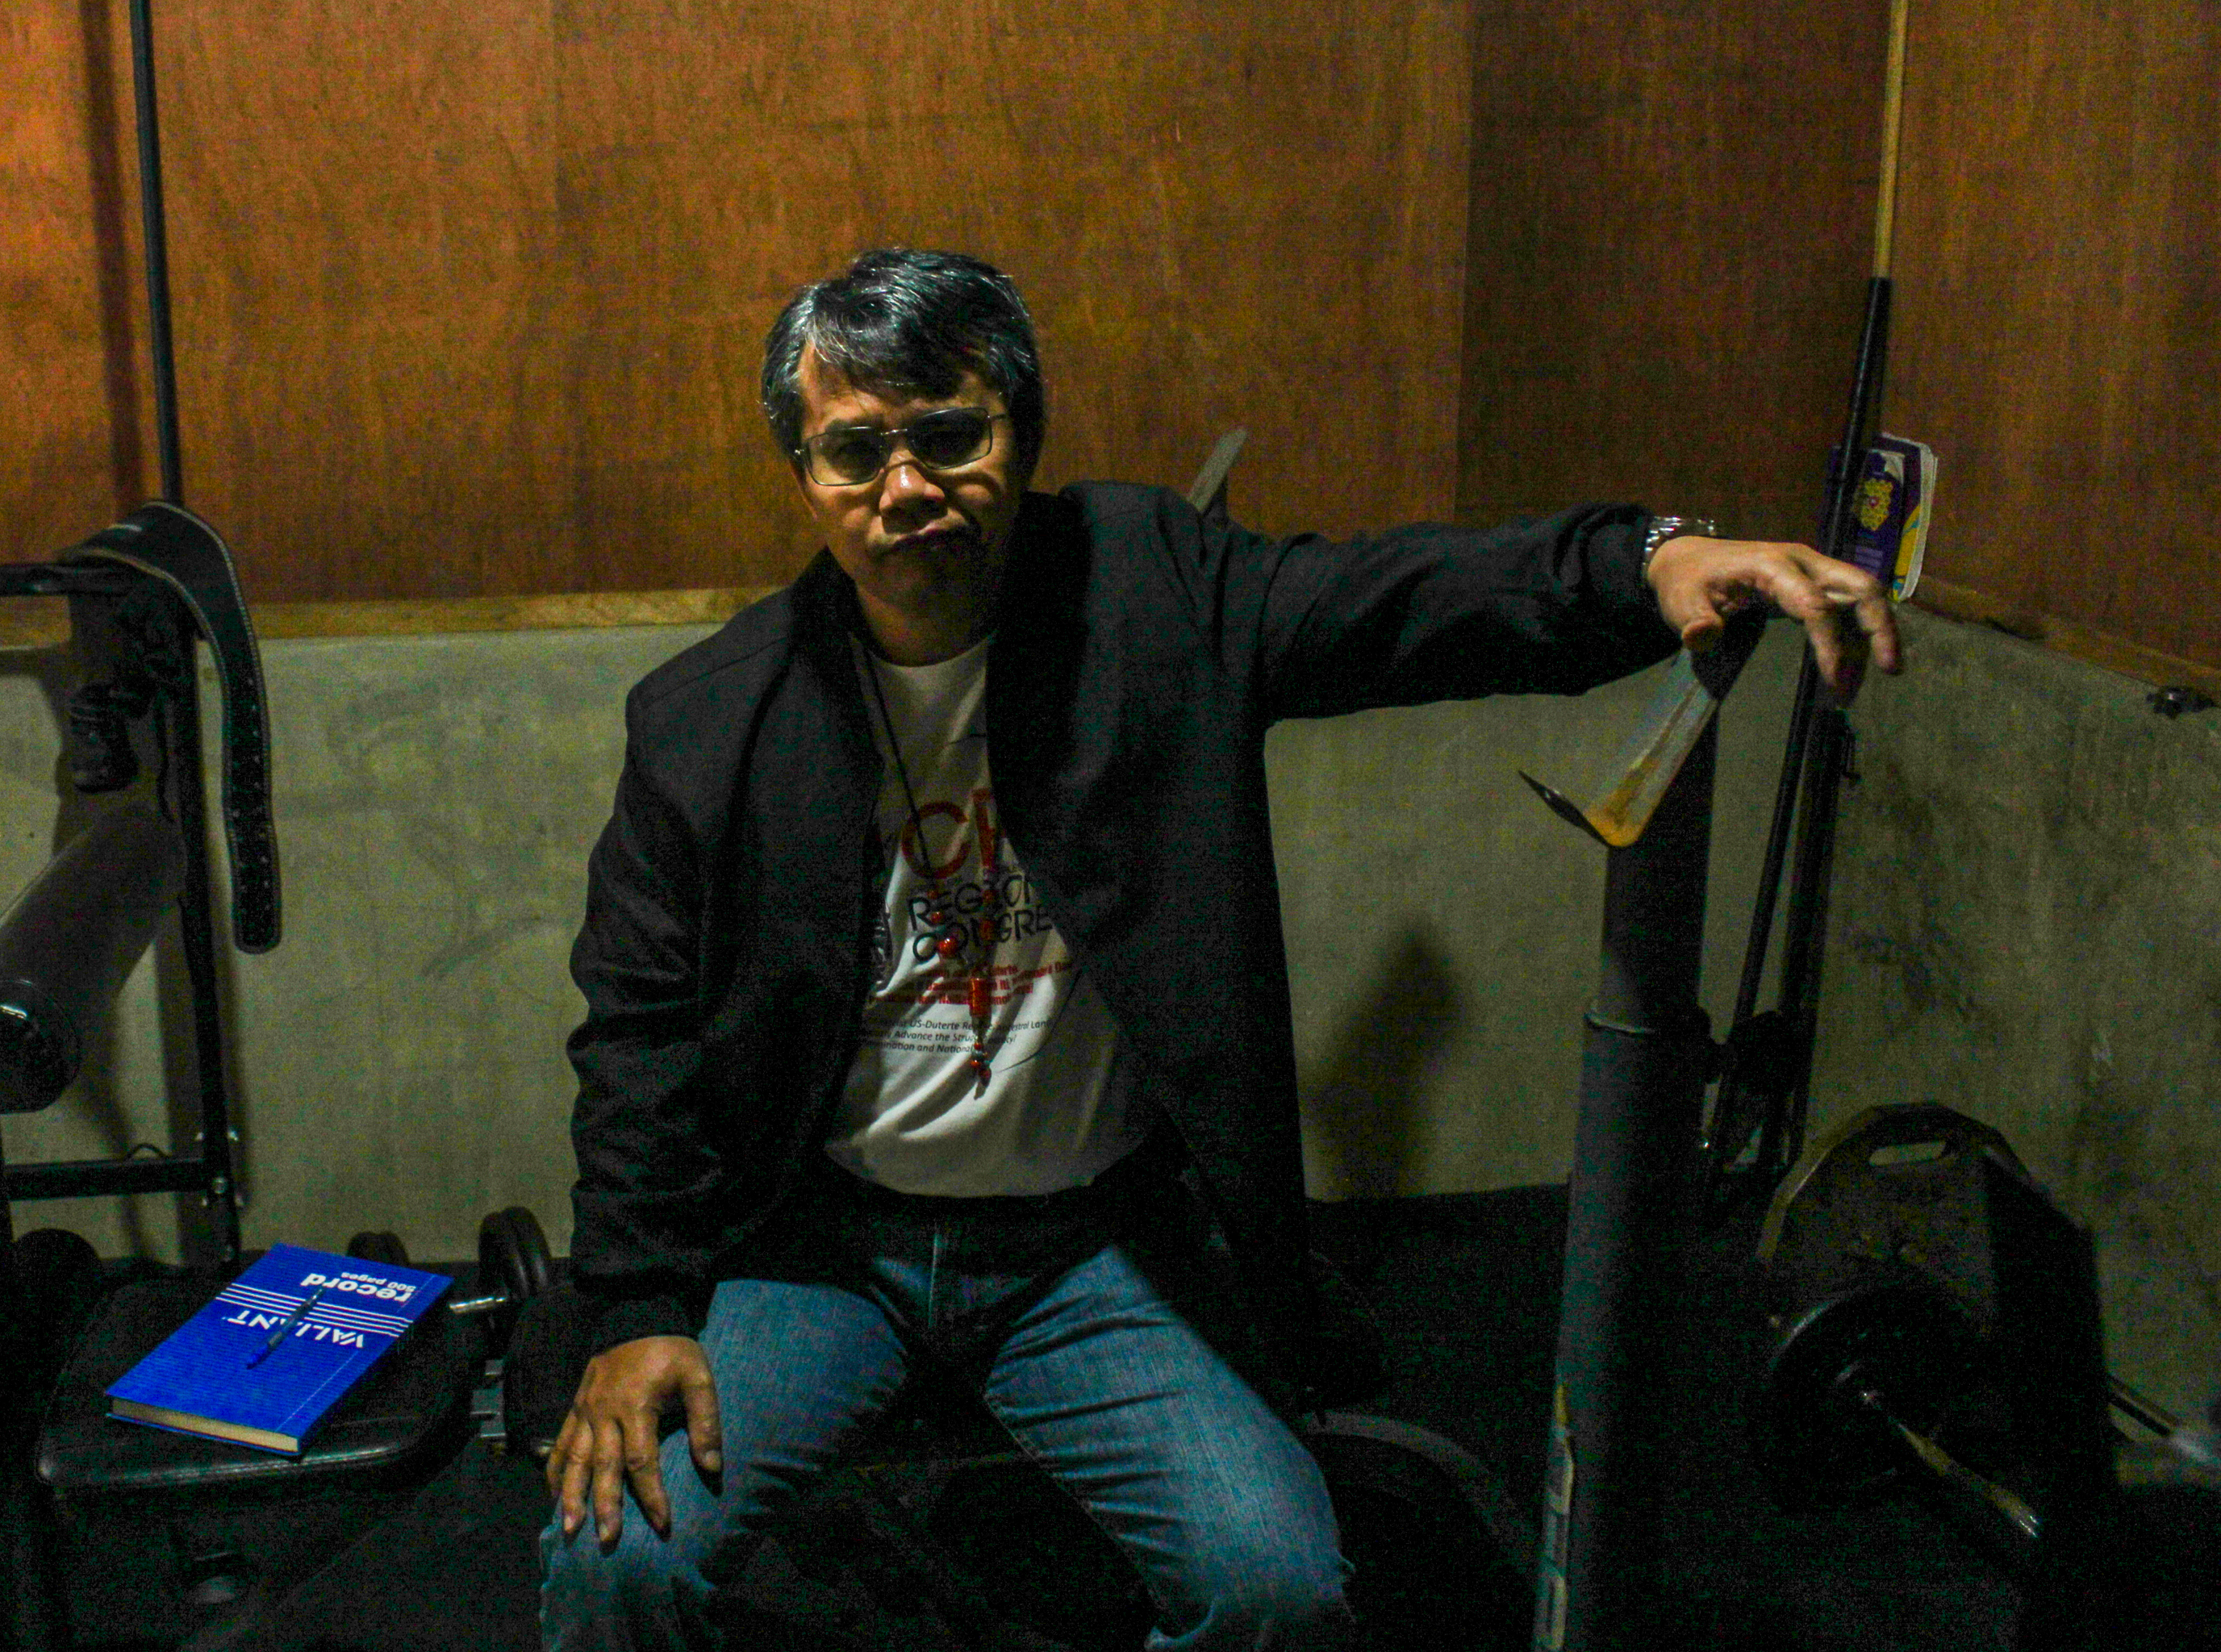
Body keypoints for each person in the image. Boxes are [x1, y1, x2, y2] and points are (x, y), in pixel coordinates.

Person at [538, 248, 1902, 1650]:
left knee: (1280, 1590)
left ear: (1021, 430)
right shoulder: (709, 722)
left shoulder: (1147, 587)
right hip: (827, 1246)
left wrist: (1646, 556)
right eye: (855, 450)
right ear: (805, 473)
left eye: (949, 434)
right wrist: (638, 1305)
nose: (905, 486)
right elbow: (635, 1032)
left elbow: (1400, 602)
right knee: (614, 1568)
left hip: (1085, 1248)